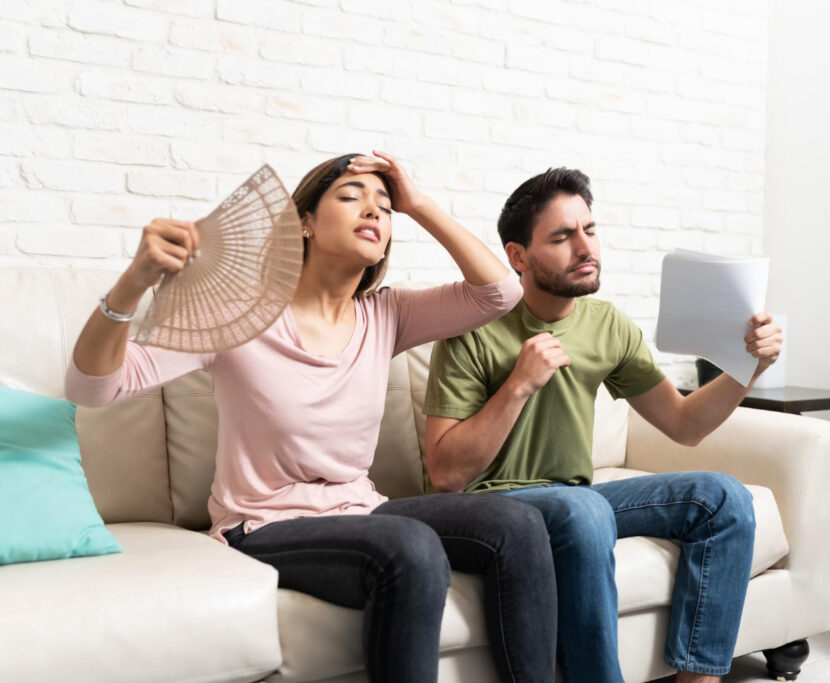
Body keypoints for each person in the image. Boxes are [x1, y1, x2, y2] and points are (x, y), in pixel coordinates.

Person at [65, 152, 557, 683]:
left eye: (384, 206)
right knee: (410, 547)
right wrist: (134, 281)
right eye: (350, 197)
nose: (372, 211)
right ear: (303, 222)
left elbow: (500, 293)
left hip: (362, 512)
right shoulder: (239, 314)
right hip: (262, 525)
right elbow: (95, 387)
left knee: (519, 523)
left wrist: (419, 205)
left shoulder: (386, 313)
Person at [423, 167, 783, 683]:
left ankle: (698, 679)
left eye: (589, 230)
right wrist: (518, 385)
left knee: (724, 499)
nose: (584, 247)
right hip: (488, 506)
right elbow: (446, 475)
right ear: (518, 256)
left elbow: (684, 425)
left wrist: (748, 366)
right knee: (584, 508)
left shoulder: (606, 324)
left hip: (572, 500)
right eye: (562, 237)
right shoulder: (470, 327)